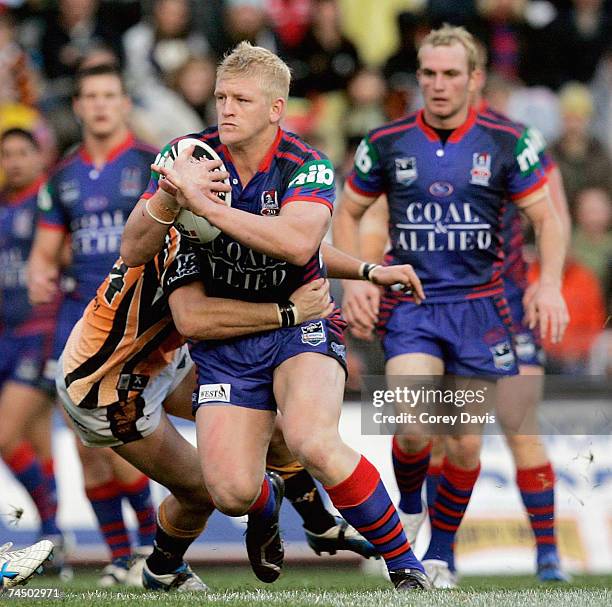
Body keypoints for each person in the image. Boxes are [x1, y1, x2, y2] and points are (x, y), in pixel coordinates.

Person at [120, 41, 431, 591]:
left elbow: (296, 243)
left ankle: (407, 568)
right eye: (220, 97)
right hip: (228, 341)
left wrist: (209, 206)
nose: (226, 109)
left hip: (302, 324)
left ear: (275, 109)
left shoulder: (304, 164)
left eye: (241, 99)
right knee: (232, 492)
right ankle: (273, 504)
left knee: (313, 438)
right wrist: (171, 198)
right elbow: (133, 249)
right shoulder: (188, 158)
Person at [332, 25, 568, 588]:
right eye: (430, 74)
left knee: (463, 442)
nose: (439, 85)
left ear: (474, 79)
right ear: (420, 78)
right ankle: (409, 511)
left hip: (483, 311)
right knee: (414, 426)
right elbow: (347, 211)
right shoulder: (386, 141)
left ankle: (439, 553)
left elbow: (548, 218)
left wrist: (550, 283)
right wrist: (356, 280)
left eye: (451, 75)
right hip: (413, 304)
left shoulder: (506, 141)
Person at [27, 63, 160, 587]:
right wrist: (40, 273)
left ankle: (154, 546)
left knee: (124, 440)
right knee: (86, 446)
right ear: (79, 107)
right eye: (91, 96)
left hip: (137, 320)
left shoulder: (153, 164)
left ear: (125, 103)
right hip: (76, 320)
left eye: (110, 95)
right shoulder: (61, 177)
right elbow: (45, 251)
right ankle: (121, 555)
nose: (101, 105)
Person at [0, 129, 65, 568]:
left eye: (24, 152)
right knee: (39, 443)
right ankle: (54, 547)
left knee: (4, 435)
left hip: (40, 331)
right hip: (6, 332)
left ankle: (53, 531)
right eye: (7, 154)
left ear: (40, 156)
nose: (16, 161)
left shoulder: (50, 202)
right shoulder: (3, 206)